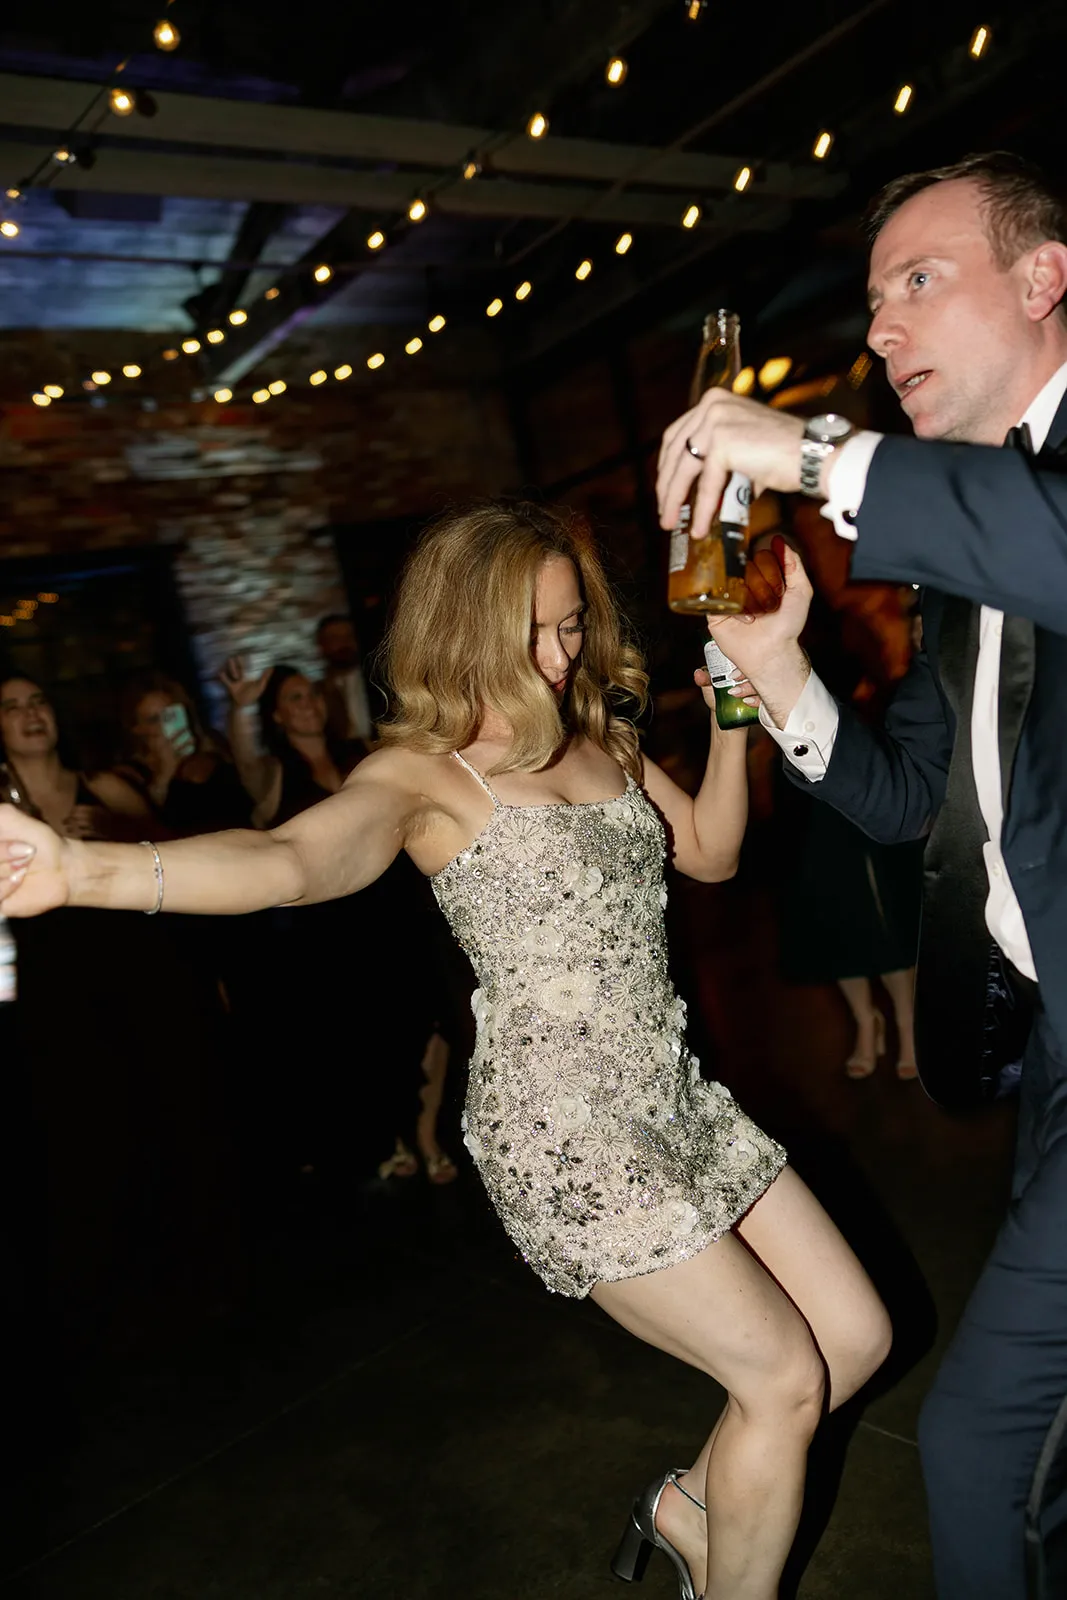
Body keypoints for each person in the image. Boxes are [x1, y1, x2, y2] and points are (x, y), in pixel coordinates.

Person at [0, 499, 891, 1600]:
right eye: (533, 631)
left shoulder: (598, 736)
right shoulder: (423, 776)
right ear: (457, 628)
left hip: (669, 1094)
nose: (560, 655)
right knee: (785, 1378)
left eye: (571, 626)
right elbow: (285, 860)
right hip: (566, 1130)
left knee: (853, 1336)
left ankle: (685, 1504)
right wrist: (86, 873)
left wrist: (727, 722)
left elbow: (706, 853)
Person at [655, 151, 1067, 1599]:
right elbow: (900, 804)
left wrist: (819, 458)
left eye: (916, 280)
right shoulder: (955, 558)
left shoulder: (989, 512)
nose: (879, 329)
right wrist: (777, 674)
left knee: (969, 1447)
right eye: (869, 297)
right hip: (1043, 1057)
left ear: (1039, 278)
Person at [0, 675, 154, 841]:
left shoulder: (105, 789)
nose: (32, 712)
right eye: (13, 708)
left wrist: (118, 829)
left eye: (39, 702)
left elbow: (166, 846)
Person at [117, 674, 251, 836]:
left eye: (170, 715)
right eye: (154, 719)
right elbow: (145, 827)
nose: (164, 726)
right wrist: (166, 774)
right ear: (137, 728)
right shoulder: (131, 775)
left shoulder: (214, 748)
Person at [315, 613, 374, 744]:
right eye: (335, 638)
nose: (344, 643)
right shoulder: (317, 692)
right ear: (321, 646)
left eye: (349, 636)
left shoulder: (378, 679)